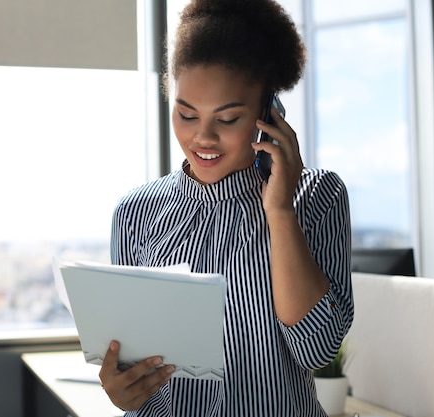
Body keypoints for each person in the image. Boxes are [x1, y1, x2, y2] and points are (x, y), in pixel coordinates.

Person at [99, 0, 354, 415]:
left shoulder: (317, 196)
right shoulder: (135, 212)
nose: (203, 137)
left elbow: (317, 348)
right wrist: (122, 388)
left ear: (268, 112)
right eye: (186, 114)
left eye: (228, 118)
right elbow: (134, 364)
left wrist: (281, 212)